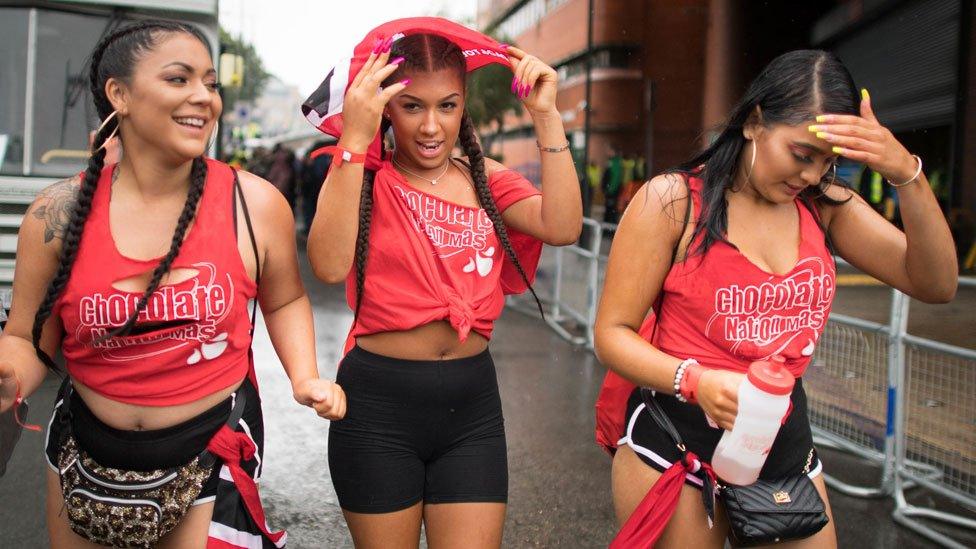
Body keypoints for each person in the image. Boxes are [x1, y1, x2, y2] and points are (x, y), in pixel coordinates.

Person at [0, 21, 345, 547]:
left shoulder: (253, 204)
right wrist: (8, 374)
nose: (203, 97)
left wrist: (305, 377)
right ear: (120, 93)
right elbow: (29, 341)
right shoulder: (57, 215)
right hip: (82, 455)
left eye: (210, 83)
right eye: (179, 79)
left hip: (210, 452)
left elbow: (287, 297)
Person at [593, 49, 957, 548]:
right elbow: (611, 334)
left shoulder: (828, 207)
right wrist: (695, 380)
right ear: (755, 122)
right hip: (677, 440)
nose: (811, 175)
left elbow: (936, 283)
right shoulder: (673, 202)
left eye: (829, 162)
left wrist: (904, 172)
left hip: (781, 444)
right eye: (802, 154)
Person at [304, 18, 582, 548]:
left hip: (471, 408)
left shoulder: (484, 177)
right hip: (377, 408)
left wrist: (546, 118)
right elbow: (327, 266)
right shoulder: (362, 176)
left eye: (447, 105)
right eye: (412, 106)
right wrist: (355, 142)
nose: (431, 126)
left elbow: (563, 225)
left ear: (463, 105)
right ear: (386, 106)